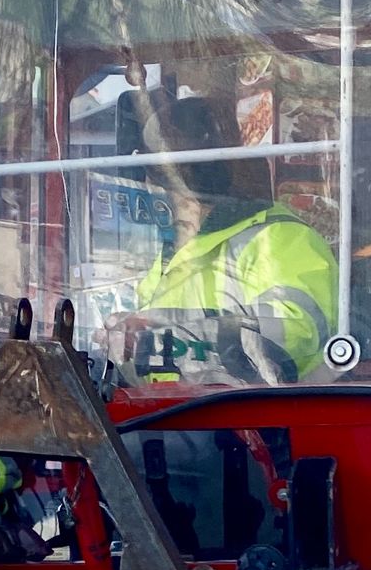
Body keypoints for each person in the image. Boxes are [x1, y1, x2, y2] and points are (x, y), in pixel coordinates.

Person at [128, 95, 338, 384]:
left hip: (258, 410)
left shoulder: (280, 237)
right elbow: (145, 341)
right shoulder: (171, 254)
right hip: (167, 409)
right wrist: (119, 338)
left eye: (155, 175)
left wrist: (161, 345)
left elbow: (293, 332)